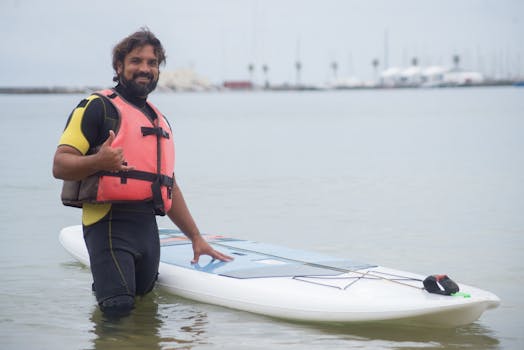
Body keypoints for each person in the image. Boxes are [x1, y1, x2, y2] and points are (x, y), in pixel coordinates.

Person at [52, 28, 232, 318]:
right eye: (136, 61)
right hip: (108, 225)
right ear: (119, 66)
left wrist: (195, 237)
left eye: (152, 63)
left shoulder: (158, 118)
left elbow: (167, 183)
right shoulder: (97, 108)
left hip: (147, 230)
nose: (145, 69)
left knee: (146, 315)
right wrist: (99, 161)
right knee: (117, 312)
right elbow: (60, 165)